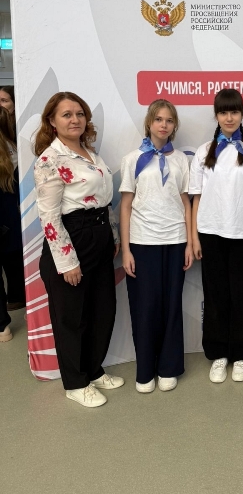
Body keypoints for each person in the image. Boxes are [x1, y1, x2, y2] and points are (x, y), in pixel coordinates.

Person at [33, 92, 124, 407]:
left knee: (102, 310)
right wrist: (67, 262)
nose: (75, 119)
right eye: (67, 114)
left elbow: (104, 201)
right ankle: (75, 383)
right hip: (71, 239)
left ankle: (94, 370)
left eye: (80, 114)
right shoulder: (50, 160)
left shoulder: (90, 153)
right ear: (52, 121)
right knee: (72, 318)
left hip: (100, 236)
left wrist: (112, 236)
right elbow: (49, 216)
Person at [190, 89, 243, 384]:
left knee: (241, 296)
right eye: (223, 112)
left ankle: (242, 354)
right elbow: (196, 197)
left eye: (234, 112)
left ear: (242, 115)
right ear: (216, 115)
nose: (229, 117)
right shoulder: (203, 152)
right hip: (210, 233)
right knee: (215, 297)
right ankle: (218, 354)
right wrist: (194, 237)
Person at [120, 99, 193, 394]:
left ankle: (168, 367)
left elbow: (186, 203)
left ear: (175, 126)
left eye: (169, 120)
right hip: (142, 242)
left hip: (175, 240)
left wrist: (189, 243)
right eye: (159, 119)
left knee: (171, 306)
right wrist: (126, 249)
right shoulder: (132, 159)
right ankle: (145, 369)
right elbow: (125, 205)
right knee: (145, 308)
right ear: (149, 123)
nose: (164, 124)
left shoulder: (181, 160)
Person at [0, 107, 25, 341]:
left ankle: (2, 326)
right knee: (14, 259)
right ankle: (17, 298)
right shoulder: (17, 149)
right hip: (12, 216)